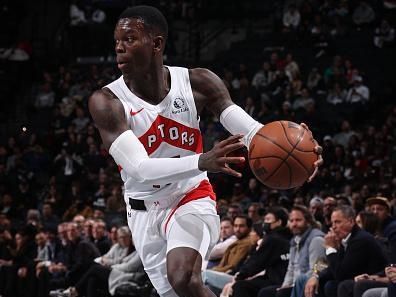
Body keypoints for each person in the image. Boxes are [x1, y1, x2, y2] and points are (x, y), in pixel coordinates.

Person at [88, 5, 323, 297]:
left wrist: (298, 146)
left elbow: (251, 132)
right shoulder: (107, 101)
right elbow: (139, 169)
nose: (119, 48)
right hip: (142, 211)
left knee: (184, 277)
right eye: (117, 41)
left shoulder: (197, 82)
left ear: (157, 44)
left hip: (190, 197)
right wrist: (202, 160)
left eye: (130, 39)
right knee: (180, 290)